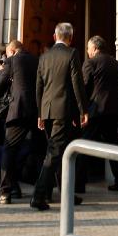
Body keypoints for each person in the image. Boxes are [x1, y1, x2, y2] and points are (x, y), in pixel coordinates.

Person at [29, 22, 89, 212]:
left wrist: (40, 113)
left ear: (55, 37)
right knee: (54, 153)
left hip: (47, 111)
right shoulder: (72, 54)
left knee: (60, 153)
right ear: (70, 38)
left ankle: (66, 194)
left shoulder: (44, 56)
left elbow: (38, 86)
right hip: (63, 111)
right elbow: (77, 83)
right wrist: (83, 110)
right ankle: (38, 196)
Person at [78, 36, 118, 194]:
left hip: (96, 111)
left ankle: (78, 183)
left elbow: (84, 87)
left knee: (84, 145)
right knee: (113, 145)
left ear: (94, 48)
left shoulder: (90, 63)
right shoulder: (115, 62)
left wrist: (81, 110)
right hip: (113, 110)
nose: (87, 51)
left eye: (88, 48)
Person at [0, 40, 37, 205]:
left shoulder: (11, 60)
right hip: (37, 112)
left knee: (9, 150)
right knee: (40, 150)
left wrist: (4, 70)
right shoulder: (36, 59)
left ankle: (5, 192)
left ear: (11, 50)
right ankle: (43, 190)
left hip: (18, 111)